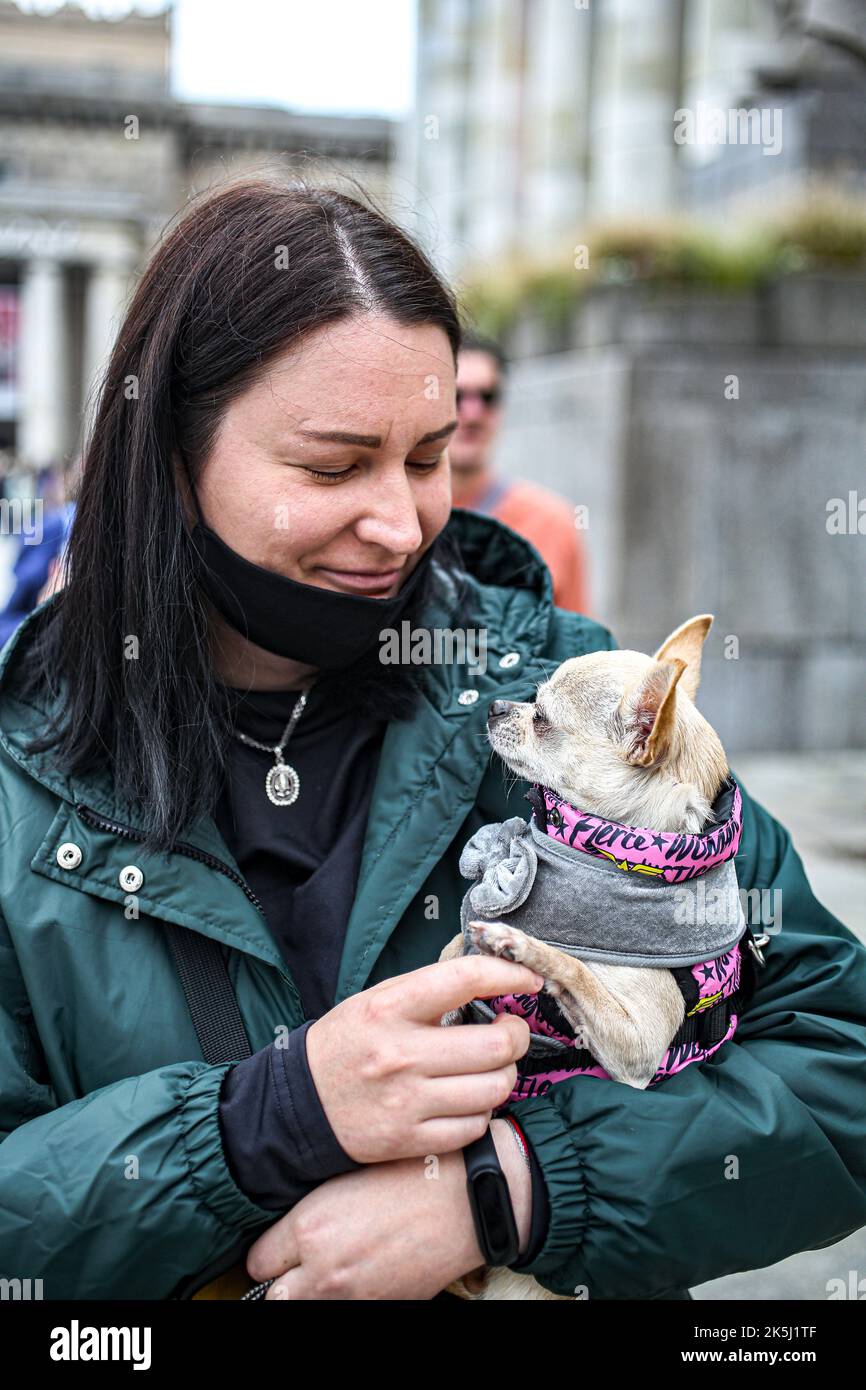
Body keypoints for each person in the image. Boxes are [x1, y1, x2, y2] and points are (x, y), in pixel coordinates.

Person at [0, 176, 863, 1302]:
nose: (400, 524)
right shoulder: (25, 771)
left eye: (426, 457)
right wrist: (257, 1125)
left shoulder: (567, 698)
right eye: (331, 465)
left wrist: (509, 1189)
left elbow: (835, 1060)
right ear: (170, 456)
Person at [449, 335, 591, 614]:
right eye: (456, 396)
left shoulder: (553, 522)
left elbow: (579, 648)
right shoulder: (401, 521)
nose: (473, 413)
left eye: (488, 397)